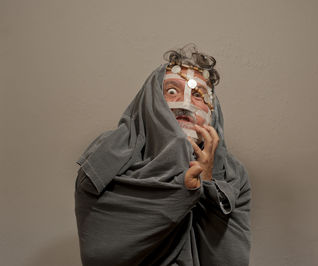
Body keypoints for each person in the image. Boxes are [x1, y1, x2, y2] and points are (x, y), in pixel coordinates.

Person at [74, 43, 251, 266]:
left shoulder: (232, 176)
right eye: (172, 91)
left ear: (213, 114)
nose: (186, 105)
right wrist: (182, 191)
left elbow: (229, 260)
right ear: (152, 102)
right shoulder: (108, 158)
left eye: (198, 95)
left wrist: (207, 185)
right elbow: (100, 255)